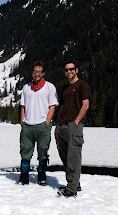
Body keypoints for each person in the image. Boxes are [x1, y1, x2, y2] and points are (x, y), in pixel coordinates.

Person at [17, 61, 58, 186]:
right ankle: (24, 176)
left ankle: (42, 175)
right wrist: (22, 122)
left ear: (43, 73)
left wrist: (46, 123)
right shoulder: (26, 88)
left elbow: (52, 106)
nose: (37, 74)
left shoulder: (50, 87)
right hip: (28, 125)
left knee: (43, 152)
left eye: (39, 72)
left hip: (42, 125)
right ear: (32, 73)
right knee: (25, 152)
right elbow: (23, 106)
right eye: (35, 71)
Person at [55, 61, 92, 197]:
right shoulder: (65, 88)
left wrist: (76, 122)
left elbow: (86, 105)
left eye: (71, 69)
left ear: (76, 70)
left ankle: (71, 189)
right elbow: (63, 106)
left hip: (73, 126)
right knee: (65, 157)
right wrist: (58, 124)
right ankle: (75, 183)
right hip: (61, 126)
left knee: (73, 157)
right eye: (66, 70)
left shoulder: (83, 85)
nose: (69, 72)